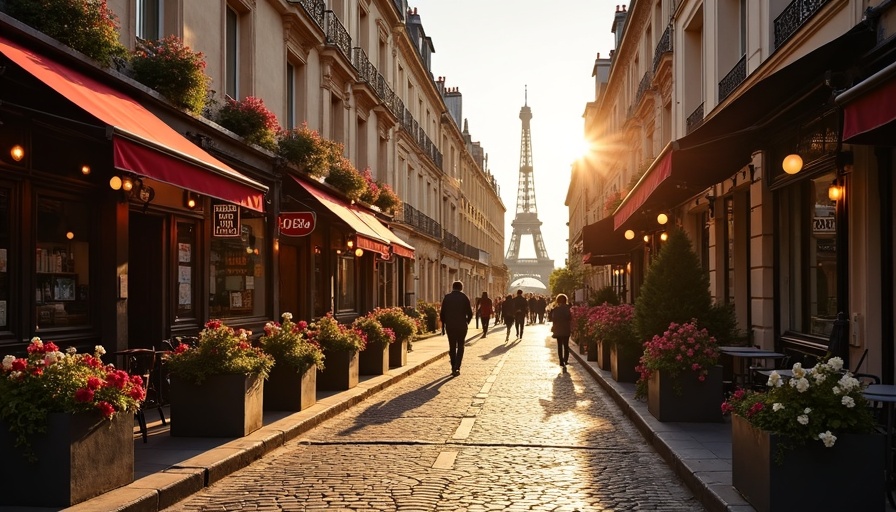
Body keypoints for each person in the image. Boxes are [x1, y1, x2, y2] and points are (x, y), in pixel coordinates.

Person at [440, 281, 473, 376]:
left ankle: (453, 365)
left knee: (452, 346)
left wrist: (444, 325)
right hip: (462, 326)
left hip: (450, 326)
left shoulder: (447, 297)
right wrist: (467, 322)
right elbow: (470, 313)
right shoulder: (464, 297)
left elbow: (442, 313)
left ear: (453, 287)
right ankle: (457, 367)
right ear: (461, 288)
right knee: (461, 346)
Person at [550, 294, 572, 368]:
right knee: (566, 345)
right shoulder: (568, 308)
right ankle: (565, 359)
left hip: (558, 328)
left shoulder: (555, 309)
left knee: (559, 345)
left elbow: (553, 319)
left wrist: (553, 327)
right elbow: (570, 318)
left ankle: (561, 361)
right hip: (566, 328)